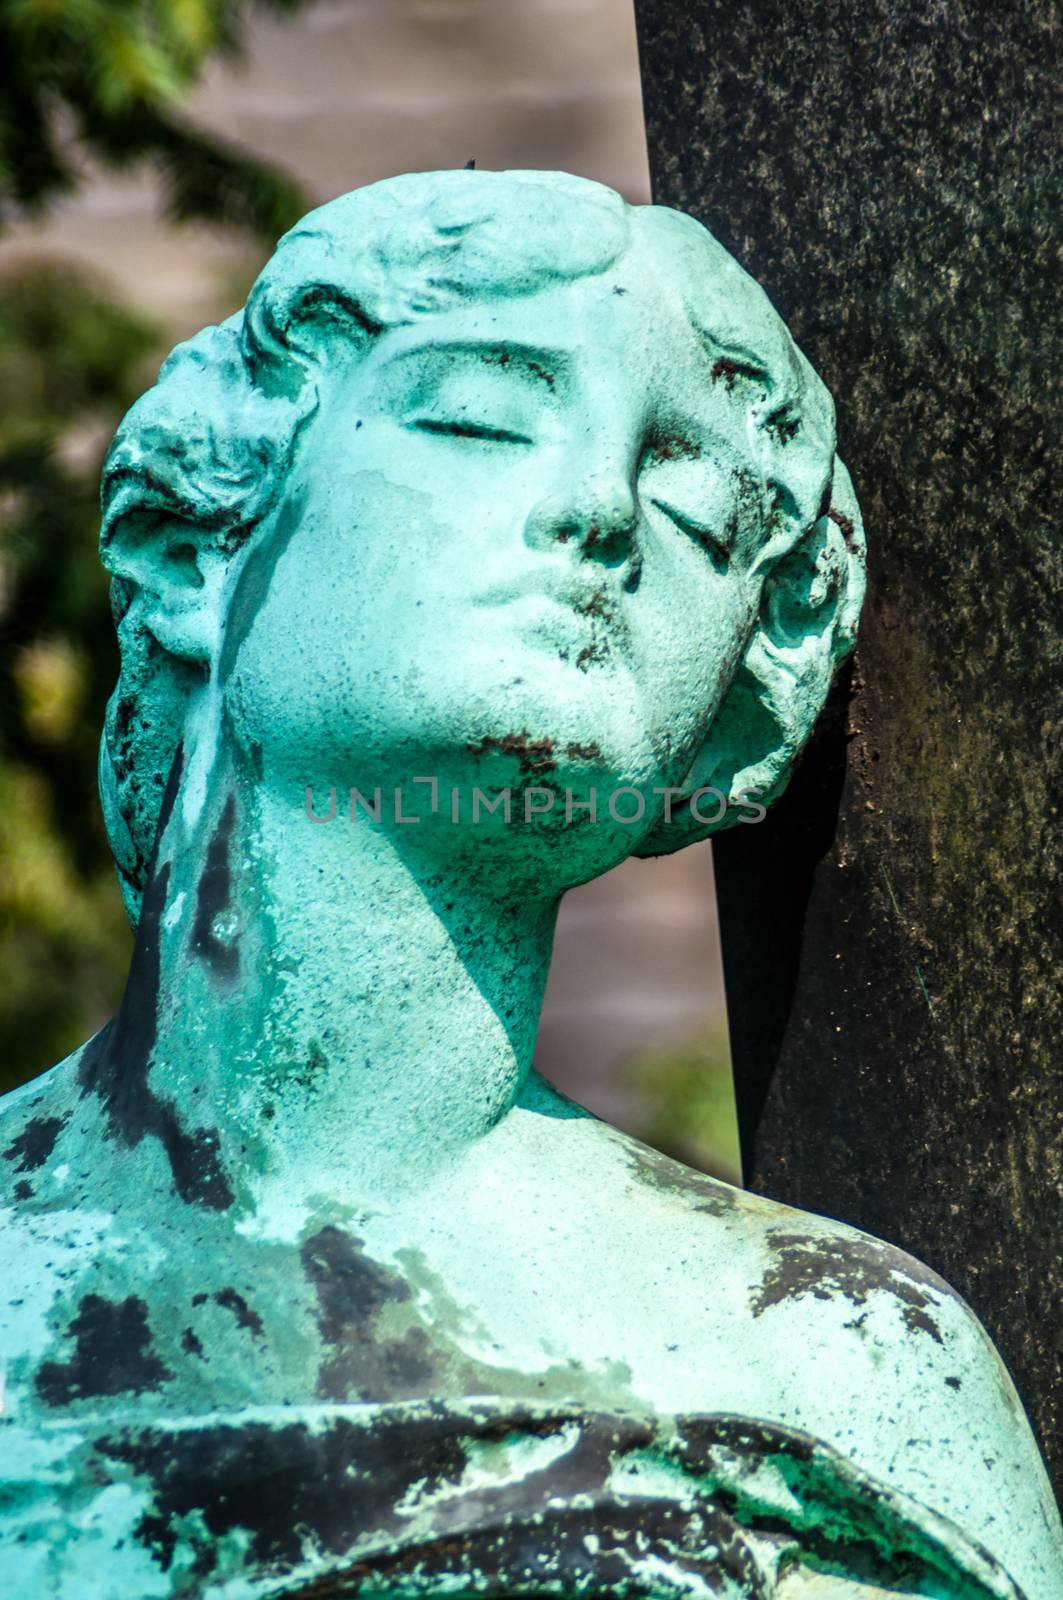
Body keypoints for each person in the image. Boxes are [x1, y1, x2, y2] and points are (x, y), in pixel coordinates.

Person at [0, 170, 1057, 1599]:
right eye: (478, 419)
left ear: (732, 720)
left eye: (692, 501)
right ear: (201, 554)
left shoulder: (834, 1367)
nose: (598, 512)